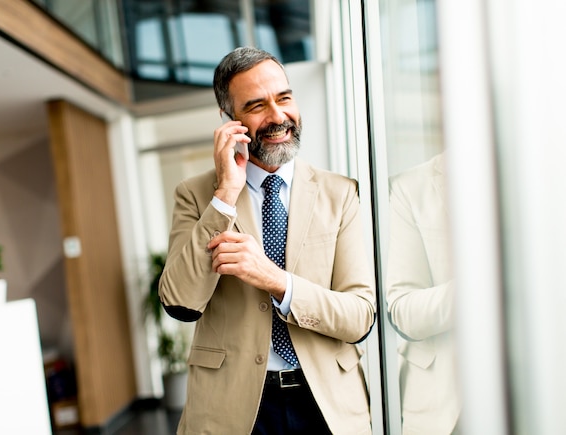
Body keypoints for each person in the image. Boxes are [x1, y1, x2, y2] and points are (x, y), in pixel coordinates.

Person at [159, 46, 376, 434]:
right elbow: (179, 302)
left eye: (285, 98)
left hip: (325, 404)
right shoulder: (195, 195)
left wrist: (275, 280)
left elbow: (359, 317)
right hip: (233, 408)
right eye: (257, 105)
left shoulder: (340, 193)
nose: (278, 116)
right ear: (230, 120)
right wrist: (225, 194)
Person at [385, 152, 461, 434]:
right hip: (443, 405)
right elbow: (405, 311)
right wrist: (482, 288)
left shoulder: (545, 177)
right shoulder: (409, 188)